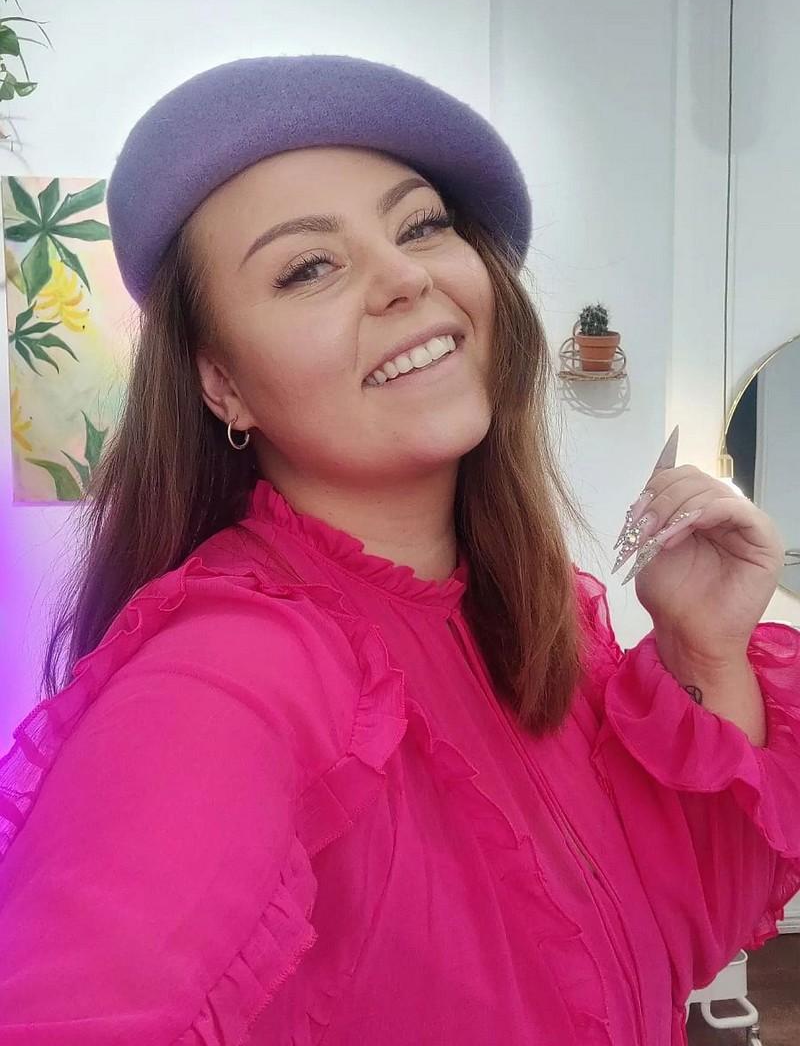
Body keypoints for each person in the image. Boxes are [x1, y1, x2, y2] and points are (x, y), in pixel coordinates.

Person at [0, 54, 797, 1046]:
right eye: (308, 267)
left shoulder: (530, 609)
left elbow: (680, 925)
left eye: (420, 225)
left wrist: (704, 647)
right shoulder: (232, 669)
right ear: (222, 385)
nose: (406, 277)